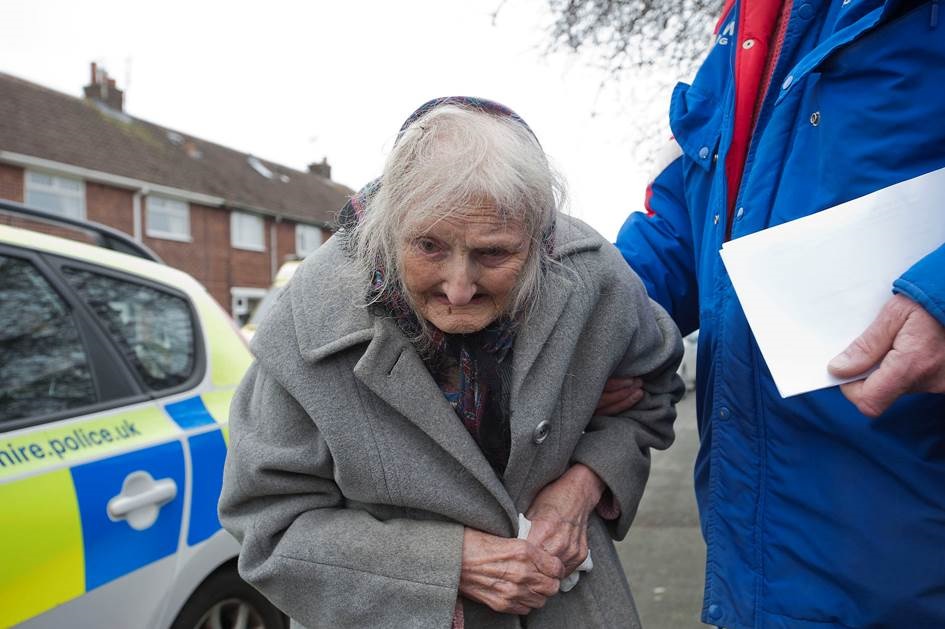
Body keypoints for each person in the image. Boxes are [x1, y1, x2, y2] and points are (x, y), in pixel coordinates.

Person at [218, 97, 684, 628]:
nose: (459, 289)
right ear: (391, 228)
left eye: (494, 254)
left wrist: (582, 484)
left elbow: (654, 390)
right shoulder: (308, 322)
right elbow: (267, 525)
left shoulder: (594, 278)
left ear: (538, 240)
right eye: (429, 247)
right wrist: (447, 565)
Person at [608, 1, 945, 627]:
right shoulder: (746, 25)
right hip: (760, 558)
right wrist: (582, 320)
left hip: (910, 547)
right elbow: (686, 220)